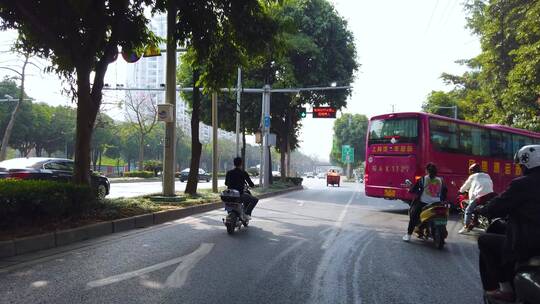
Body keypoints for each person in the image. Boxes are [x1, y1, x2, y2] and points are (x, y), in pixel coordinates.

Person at [475, 145, 540, 302]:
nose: (520, 168)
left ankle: (503, 289)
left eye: (520, 165)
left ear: (526, 164)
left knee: (484, 241)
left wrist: (483, 210)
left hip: (529, 243)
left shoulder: (522, 184)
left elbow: (498, 205)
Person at [403, 163, 447, 242]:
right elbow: (445, 191)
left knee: (413, 216)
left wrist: (410, 189)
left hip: (424, 203)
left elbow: (415, 189)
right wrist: (441, 200)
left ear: (427, 171)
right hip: (437, 203)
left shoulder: (423, 179)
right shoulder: (441, 180)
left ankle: (408, 235)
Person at [458, 163, 494, 234]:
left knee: (468, 210)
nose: (470, 172)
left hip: (480, 196)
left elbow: (465, 186)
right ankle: (476, 220)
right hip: (490, 195)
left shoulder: (473, 176)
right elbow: (490, 184)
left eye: (470, 171)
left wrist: (460, 191)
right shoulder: (487, 175)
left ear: (472, 171)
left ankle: (466, 227)